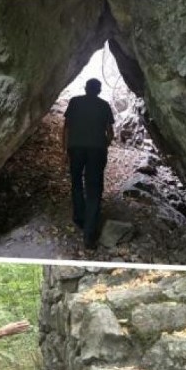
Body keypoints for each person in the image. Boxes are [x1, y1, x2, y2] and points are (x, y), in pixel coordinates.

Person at [62, 78, 115, 250]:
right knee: (93, 188)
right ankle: (89, 234)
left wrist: (65, 150)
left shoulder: (75, 102)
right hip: (96, 150)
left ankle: (79, 218)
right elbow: (110, 132)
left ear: (86, 88)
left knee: (76, 182)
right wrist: (104, 145)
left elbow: (66, 128)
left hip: (76, 148)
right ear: (99, 91)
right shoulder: (104, 105)